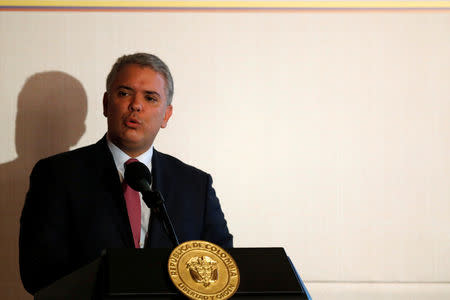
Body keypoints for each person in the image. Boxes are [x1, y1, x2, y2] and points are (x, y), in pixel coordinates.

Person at [19, 53, 233, 295]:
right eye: (124, 93)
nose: (136, 105)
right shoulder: (57, 175)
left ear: (166, 115)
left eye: (150, 97)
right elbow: (37, 273)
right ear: (106, 103)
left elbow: (222, 267)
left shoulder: (195, 185)